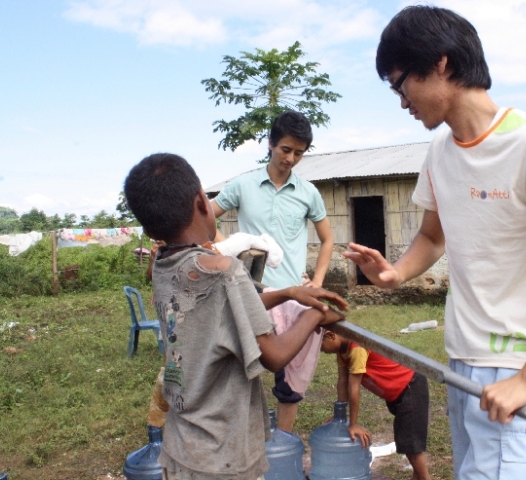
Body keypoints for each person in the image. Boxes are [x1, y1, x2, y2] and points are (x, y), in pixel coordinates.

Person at [344, 6, 526, 479]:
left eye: (401, 84)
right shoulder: (440, 151)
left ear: (440, 63)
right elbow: (433, 236)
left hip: (518, 365)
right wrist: (395, 272)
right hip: (462, 361)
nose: (402, 102)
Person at [124, 152, 346, 480]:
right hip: (223, 455)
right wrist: (314, 316)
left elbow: (225, 308)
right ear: (202, 201)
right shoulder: (225, 271)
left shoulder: (163, 265)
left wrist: (288, 293)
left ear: (148, 227)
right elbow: (273, 356)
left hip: (181, 445)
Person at [211, 110, 334, 432]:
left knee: (290, 377)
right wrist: (229, 246)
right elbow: (206, 217)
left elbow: (327, 239)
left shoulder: (308, 192)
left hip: (294, 295)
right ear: (270, 144)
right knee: (237, 366)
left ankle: (284, 440)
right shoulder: (243, 185)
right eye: (286, 149)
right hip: (251, 293)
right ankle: (237, 437)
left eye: (299, 153)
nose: (291, 159)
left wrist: (317, 281)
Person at [320, 330, 431, 480]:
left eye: (320, 345)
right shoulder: (342, 350)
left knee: (411, 444)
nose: (320, 350)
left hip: (410, 386)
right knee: (408, 440)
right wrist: (339, 414)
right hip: (398, 393)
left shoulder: (357, 348)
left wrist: (353, 424)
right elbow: (342, 381)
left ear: (330, 335)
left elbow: (354, 387)